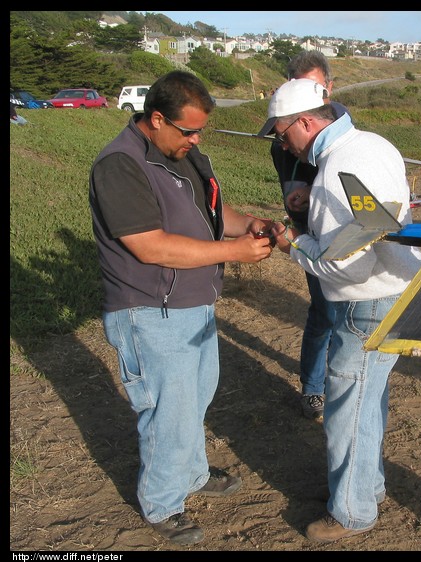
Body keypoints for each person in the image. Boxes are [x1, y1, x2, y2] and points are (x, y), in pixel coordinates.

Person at [89, 70, 276, 546]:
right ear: (156, 118)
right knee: (167, 410)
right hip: (150, 310)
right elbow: (150, 246)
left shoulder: (184, 153)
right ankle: (162, 502)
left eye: (200, 131)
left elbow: (214, 214)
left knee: (195, 398)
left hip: (194, 304)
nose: (195, 139)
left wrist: (250, 223)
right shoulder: (120, 165)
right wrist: (234, 253)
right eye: (187, 130)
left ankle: (191, 474)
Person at [261, 78, 421, 542]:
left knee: (347, 405)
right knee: (368, 398)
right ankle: (366, 487)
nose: (281, 142)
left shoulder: (336, 168)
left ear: (306, 122)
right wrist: (312, 204)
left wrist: (292, 243)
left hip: (364, 300)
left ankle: (352, 511)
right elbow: (379, 218)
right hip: (395, 289)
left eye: (281, 132)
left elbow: (346, 265)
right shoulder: (373, 144)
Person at [265, 50, 351, 422]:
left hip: (348, 232)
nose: (311, 95)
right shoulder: (282, 141)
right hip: (313, 233)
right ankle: (314, 387)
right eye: (300, 87)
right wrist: (299, 200)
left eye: (316, 87)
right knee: (325, 313)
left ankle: (342, 381)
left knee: (349, 314)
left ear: (328, 87)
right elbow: (293, 195)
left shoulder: (345, 123)